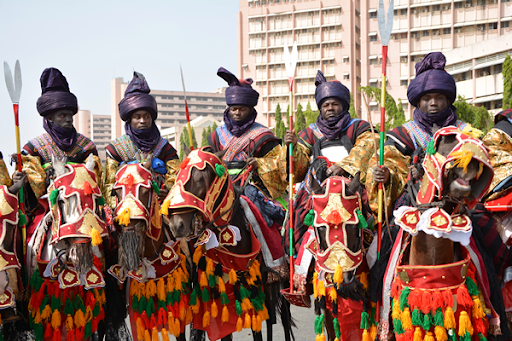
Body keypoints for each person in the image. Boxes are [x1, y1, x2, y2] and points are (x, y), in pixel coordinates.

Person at [368, 51, 478, 214]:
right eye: (427, 99)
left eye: (439, 97)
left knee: (487, 232)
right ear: (418, 102)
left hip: (458, 203)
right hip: (415, 203)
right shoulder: (403, 134)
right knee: (391, 235)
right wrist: (386, 174)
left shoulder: (466, 132)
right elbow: (390, 162)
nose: (433, 103)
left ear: (448, 100)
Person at [13, 68, 101, 239]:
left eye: (70, 115)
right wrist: (21, 182)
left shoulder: (86, 146)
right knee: (26, 236)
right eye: (62, 115)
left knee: (106, 239)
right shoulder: (34, 148)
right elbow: (35, 192)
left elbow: (95, 179)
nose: (68, 119)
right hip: (47, 207)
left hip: (83, 207)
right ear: (50, 118)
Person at [103, 71, 180, 208]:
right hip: (125, 207)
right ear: (129, 120)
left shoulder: (164, 147)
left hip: (159, 206)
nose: (143, 121)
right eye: (137, 117)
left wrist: (167, 190)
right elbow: (109, 184)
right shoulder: (116, 148)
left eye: (147, 116)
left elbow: (175, 175)